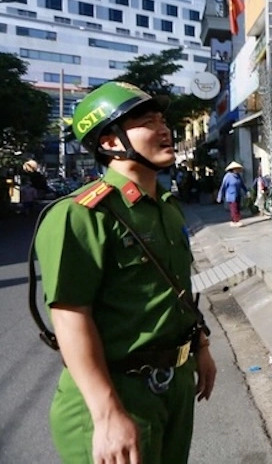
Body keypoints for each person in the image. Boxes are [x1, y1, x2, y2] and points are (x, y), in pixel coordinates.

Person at [32, 81, 216, 464]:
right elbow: (69, 317)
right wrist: (106, 413)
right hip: (116, 395)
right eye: (147, 121)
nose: (164, 129)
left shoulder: (166, 206)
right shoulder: (80, 215)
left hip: (173, 388)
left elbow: (172, 292)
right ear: (111, 142)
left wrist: (200, 347)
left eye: (163, 119)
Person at [217, 161, 248, 227]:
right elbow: (223, 187)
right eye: (236, 169)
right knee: (234, 208)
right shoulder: (227, 176)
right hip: (231, 195)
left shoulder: (238, 176)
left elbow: (242, 185)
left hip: (238, 194)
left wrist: (247, 192)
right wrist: (220, 196)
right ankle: (235, 221)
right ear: (233, 169)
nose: (238, 170)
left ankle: (236, 220)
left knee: (238, 208)